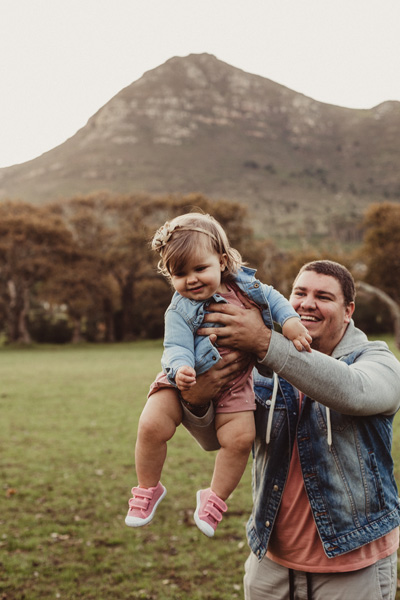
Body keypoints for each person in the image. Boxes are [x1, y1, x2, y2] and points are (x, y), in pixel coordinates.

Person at [183, 259, 400, 599]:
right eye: (299, 292)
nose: (307, 303)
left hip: (352, 564)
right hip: (270, 563)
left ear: (348, 311)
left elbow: (354, 393)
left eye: (324, 296)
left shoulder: (377, 361)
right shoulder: (258, 367)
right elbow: (216, 440)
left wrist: (265, 342)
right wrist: (197, 401)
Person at [125, 212, 311, 537]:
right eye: (179, 273)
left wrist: (291, 321)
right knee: (151, 424)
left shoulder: (248, 288)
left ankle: (214, 499)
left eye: (200, 268)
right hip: (182, 377)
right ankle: (147, 488)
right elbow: (175, 345)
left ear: (222, 261)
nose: (191, 279)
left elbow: (274, 298)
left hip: (236, 385)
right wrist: (181, 368)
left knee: (239, 440)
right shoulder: (179, 308)